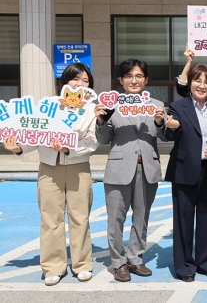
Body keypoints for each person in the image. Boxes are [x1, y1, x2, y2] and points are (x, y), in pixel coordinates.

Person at [3, 64, 98, 286]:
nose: (80, 84)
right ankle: (53, 266)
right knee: (50, 219)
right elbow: (34, 135)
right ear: (64, 82)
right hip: (48, 167)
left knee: (80, 217)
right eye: (75, 79)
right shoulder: (49, 105)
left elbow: (93, 142)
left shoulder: (92, 109)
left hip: (78, 167)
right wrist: (18, 147)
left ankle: (82, 264)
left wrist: (68, 148)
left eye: (85, 81)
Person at [95, 59, 168, 282]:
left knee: (141, 217)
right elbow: (103, 140)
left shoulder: (156, 104)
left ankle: (135, 259)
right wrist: (101, 121)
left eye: (138, 76)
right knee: (115, 220)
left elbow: (165, 136)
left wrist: (160, 122)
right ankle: (118, 263)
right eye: (128, 76)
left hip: (148, 168)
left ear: (146, 80)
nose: (133, 80)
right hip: (118, 169)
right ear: (121, 80)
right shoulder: (111, 104)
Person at [163, 63, 207, 282]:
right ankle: (184, 266)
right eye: (197, 80)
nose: (202, 85)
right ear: (189, 83)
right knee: (183, 219)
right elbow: (170, 135)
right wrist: (170, 127)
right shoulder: (177, 107)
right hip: (184, 169)